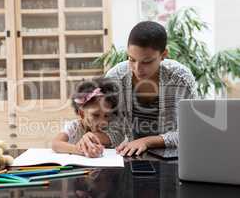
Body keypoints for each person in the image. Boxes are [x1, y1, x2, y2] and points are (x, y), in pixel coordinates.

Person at [78, 21, 197, 157]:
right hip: (133, 156)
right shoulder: (115, 78)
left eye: (146, 62)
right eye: (131, 59)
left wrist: (147, 141)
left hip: (174, 157)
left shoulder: (181, 79)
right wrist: (93, 138)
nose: (137, 69)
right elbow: (115, 131)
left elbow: (189, 133)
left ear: (163, 55)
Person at [52, 77, 119, 158]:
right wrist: (80, 150)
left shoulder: (110, 128)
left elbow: (114, 138)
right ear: (82, 113)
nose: (102, 121)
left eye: (106, 115)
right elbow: (55, 144)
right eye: (95, 115)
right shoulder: (74, 127)